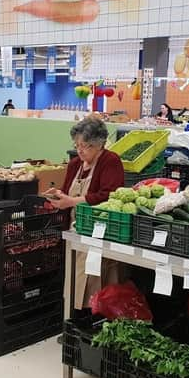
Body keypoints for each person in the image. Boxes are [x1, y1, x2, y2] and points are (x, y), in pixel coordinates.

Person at [45, 116, 125, 308]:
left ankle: (94, 316)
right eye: (77, 144)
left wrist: (71, 201)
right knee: (75, 276)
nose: (80, 150)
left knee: (96, 277)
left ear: (100, 144)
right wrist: (58, 195)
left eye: (86, 145)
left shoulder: (110, 161)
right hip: (74, 231)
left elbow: (108, 195)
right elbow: (67, 192)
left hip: (99, 231)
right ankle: (73, 316)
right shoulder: (74, 164)